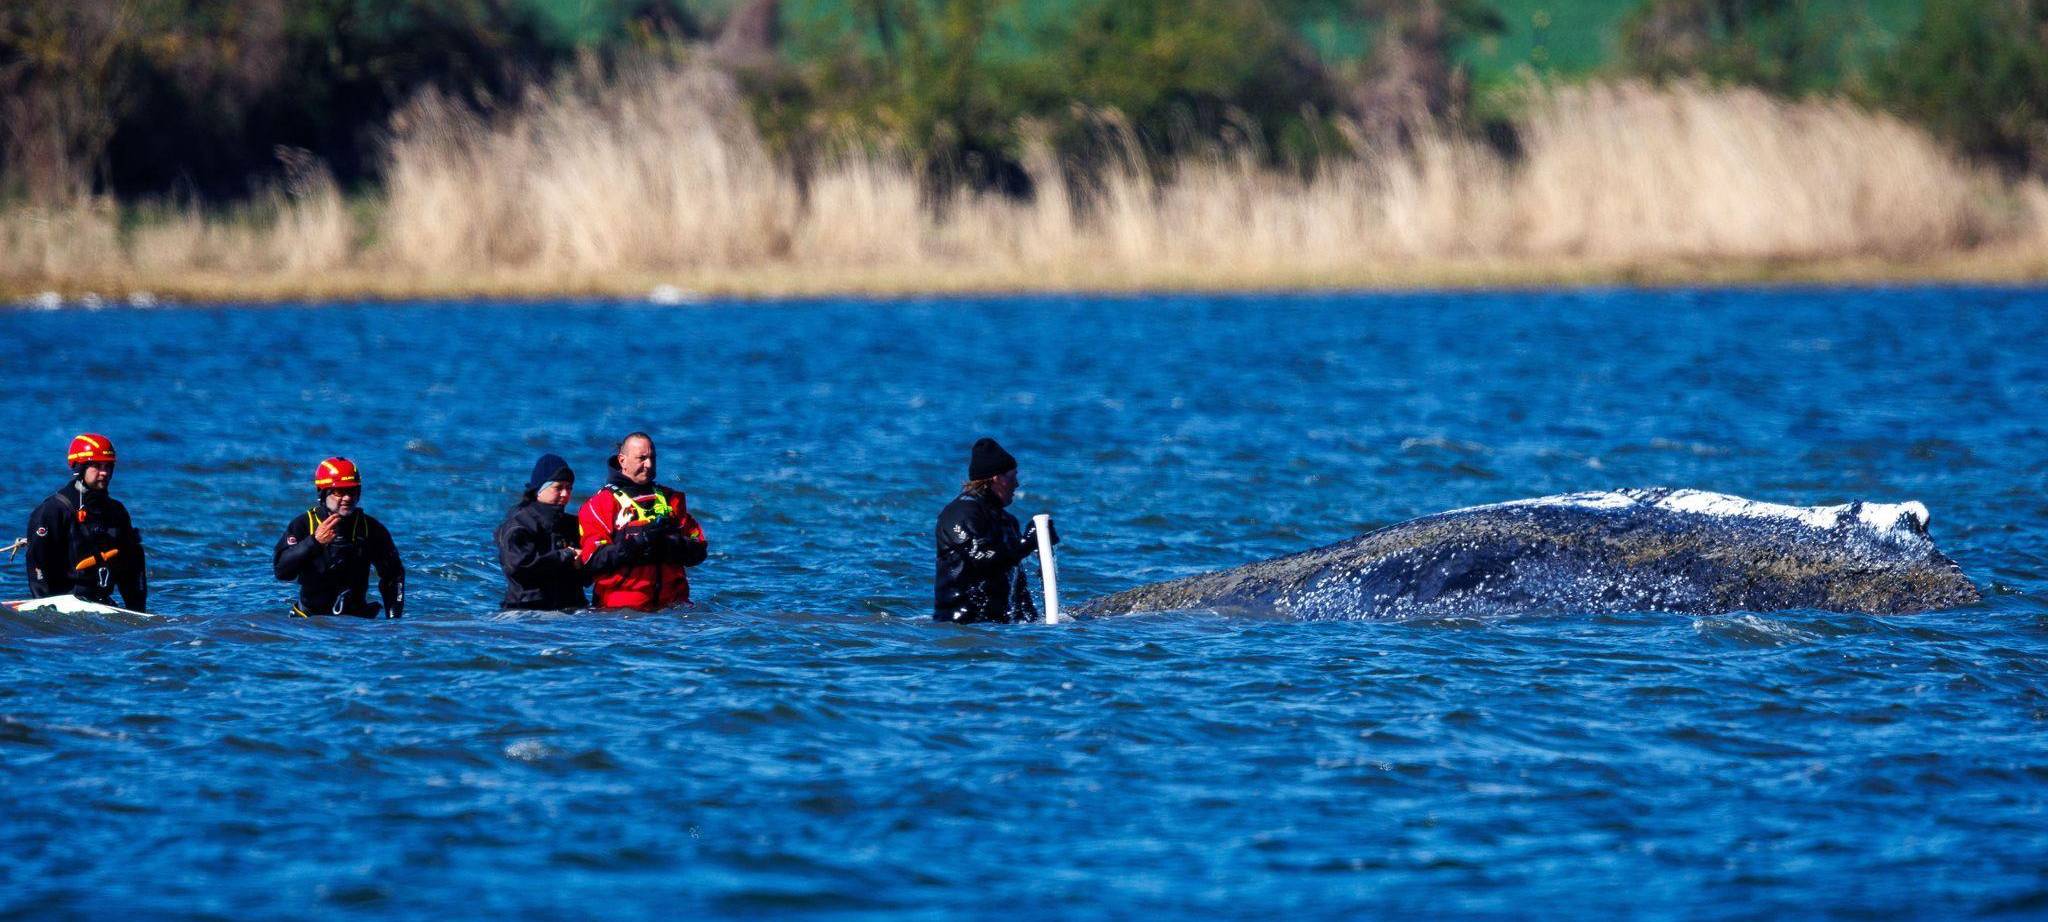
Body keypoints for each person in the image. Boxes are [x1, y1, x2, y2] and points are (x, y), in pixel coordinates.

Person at [578, 432, 708, 611]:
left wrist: (671, 543)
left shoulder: (672, 500)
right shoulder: (600, 504)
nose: (649, 464)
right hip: (620, 614)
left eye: (652, 458)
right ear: (622, 460)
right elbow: (591, 561)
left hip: (673, 611)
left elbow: (699, 549)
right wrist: (634, 543)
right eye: (642, 458)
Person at [935, 437, 1056, 623]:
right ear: (996, 478)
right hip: (961, 624)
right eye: (1013, 476)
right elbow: (981, 557)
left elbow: (1018, 587)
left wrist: (1034, 624)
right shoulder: (959, 513)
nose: (1017, 484)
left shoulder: (1008, 521)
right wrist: (1026, 544)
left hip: (999, 627)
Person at [23, 433, 148, 611]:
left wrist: (138, 612)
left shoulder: (117, 512)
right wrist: (46, 608)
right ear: (79, 468)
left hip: (102, 605)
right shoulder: (53, 510)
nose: (104, 472)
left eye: (108, 466)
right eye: (97, 466)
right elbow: (38, 562)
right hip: (63, 606)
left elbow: (132, 566)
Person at [273, 457, 405, 618]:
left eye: (352, 491)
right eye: (339, 492)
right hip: (310, 621)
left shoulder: (371, 528)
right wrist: (314, 542)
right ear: (323, 492)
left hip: (356, 621)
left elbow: (394, 575)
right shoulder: (303, 524)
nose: (348, 498)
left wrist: (393, 622)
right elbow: (282, 572)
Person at [495, 453, 589, 611]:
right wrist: (565, 555)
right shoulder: (518, 525)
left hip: (572, 614)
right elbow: (520, 567)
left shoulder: (573, 525)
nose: (565, 494)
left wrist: (586, 561)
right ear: (539, 490)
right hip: (527, 612)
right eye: (558, 488)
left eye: (569, 488)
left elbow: (588, 577)